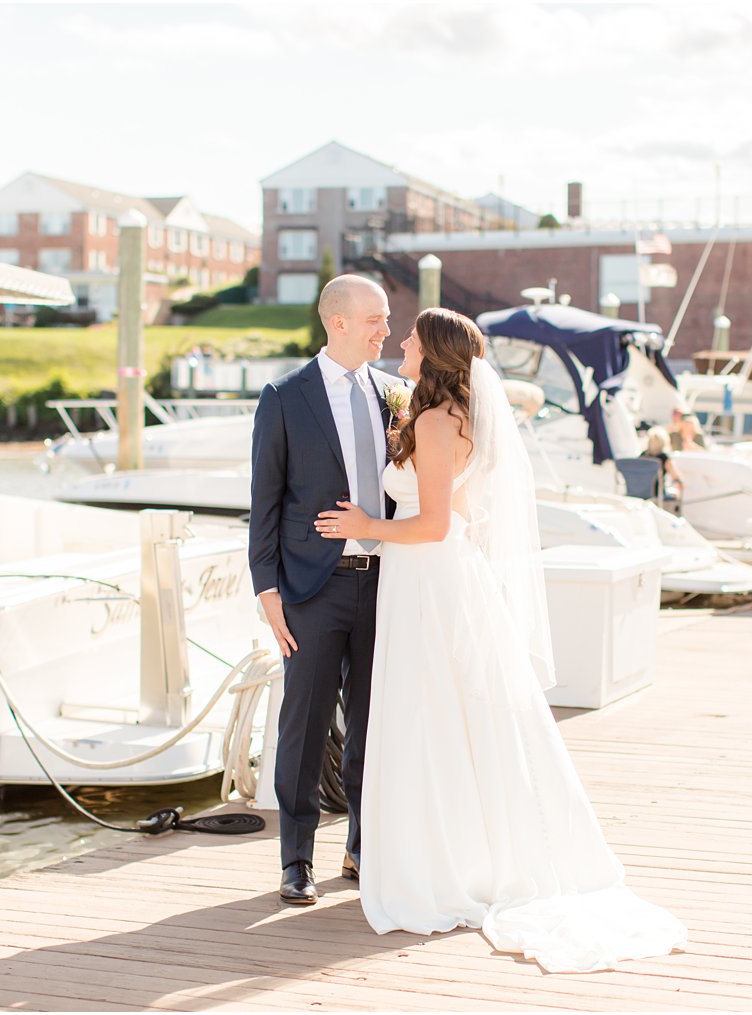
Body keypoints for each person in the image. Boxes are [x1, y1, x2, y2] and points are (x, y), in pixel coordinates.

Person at [315, 309, 687, 973]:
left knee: (430, 718)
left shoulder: (434, 421)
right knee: (453, 720)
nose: (401, 344)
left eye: (411, 340)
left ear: (433, 356)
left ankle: (439, 864)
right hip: (435, 578)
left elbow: (431, 524)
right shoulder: (449, 413)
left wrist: (367, 522)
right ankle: (452, 851)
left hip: (429, 578)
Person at [248, 275, 399, 905]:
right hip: (310, 591)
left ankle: (360, 848)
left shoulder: (396, 396)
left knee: (373, 725)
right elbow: (264, 503)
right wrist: (268, 592)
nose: (385, 331)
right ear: (337, 322)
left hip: (387, 587)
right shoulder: (285, 396)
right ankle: (297, 859)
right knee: (304, 726)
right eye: (374, 320)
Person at [640, 426, 683, 499]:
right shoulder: (664, 458)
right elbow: (676, 477)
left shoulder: (642, 456)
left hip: (639, 492)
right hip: (657, 494)